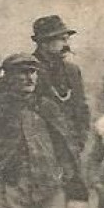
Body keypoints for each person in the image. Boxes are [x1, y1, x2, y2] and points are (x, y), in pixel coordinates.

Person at [0, 54, 88, 208]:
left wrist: (74, 185)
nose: (30, 78)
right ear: (9, 77)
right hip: (11, 186)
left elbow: (65, 148)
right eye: (23, 72)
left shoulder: (48, 107)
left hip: (48, 186)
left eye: (33, 72)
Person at [31, 14, 90, 150]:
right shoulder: (29, 69)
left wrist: (80, 140)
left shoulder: (72, 70)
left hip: (69, 146)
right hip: (40, 146)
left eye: (67, 39)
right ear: (44, 42)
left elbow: (81, 107)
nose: (67, 45)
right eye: (62, 40)